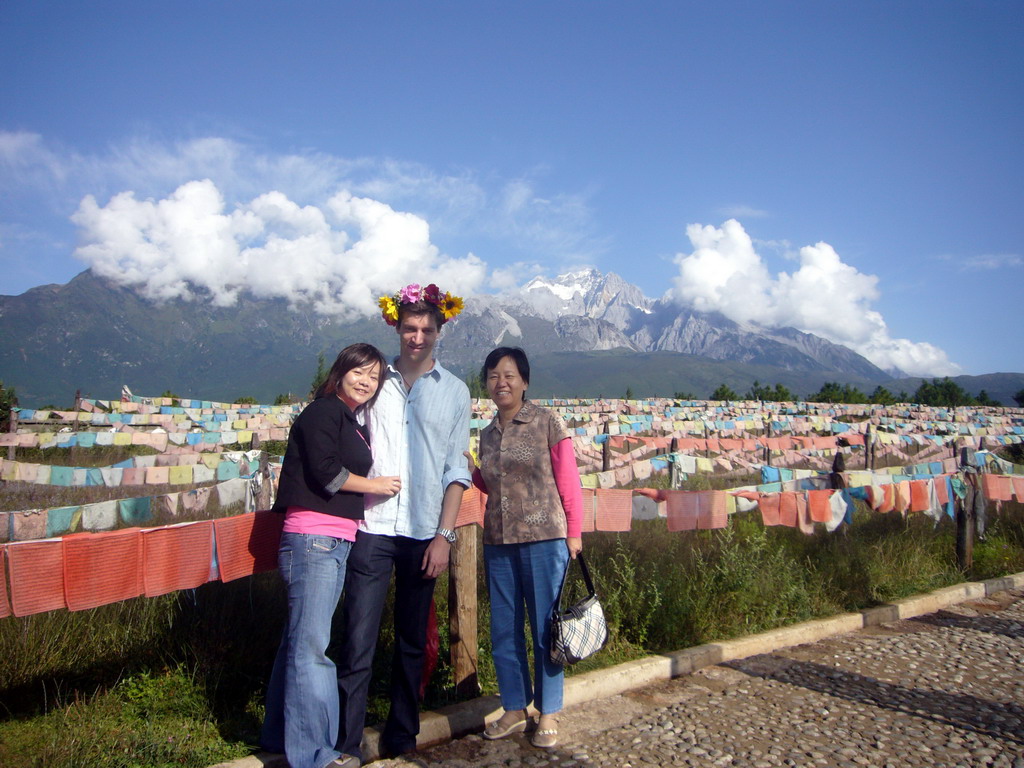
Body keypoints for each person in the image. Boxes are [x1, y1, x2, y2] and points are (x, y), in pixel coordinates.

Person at [335, 283, 471, 763]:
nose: (417, 337)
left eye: (426, 329)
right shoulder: (375, 382)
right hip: (371, 527)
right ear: (396, 328)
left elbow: (457, 468)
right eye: (410, 328)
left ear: (439, 332)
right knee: (358, 639)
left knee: (413, 640)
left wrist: (444, 535)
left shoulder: (455, 392)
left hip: (422, 533)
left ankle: (400, 737)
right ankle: (346, 743)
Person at [260, 342, 402, 768]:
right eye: (359, 372)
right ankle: (316, 755)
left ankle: (277, 737)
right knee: (312, 651)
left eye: (374, 377)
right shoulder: (323, 411)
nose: (365, 381)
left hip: (333, 541)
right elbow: (326, 472)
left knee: (297, 644)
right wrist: (375, 486)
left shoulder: (349, 418)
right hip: (313, 540)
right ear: (340, 372)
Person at [466, 346, 583, 750]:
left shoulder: (547, 421)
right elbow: (491, 486)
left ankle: (549, 711)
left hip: (545, 539)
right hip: (498, 540)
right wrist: (470, 472)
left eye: (510, 375)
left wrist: (574, 533)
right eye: (494, 376)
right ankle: (515, 708)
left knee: (546, 629)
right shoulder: (486, 434)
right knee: (504, 631)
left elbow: (568, 479)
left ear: (525, 381)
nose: (501, 383)